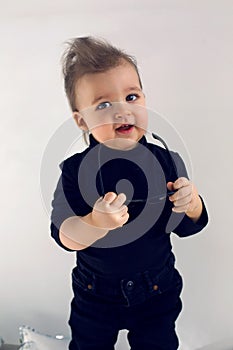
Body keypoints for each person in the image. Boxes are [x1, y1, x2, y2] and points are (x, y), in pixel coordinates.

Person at [50, 36, 208, 350]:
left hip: (157, 290)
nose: (122, 111)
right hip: (95, 294)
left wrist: (192, 204)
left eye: (131, 96)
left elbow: (191, 226)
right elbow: (64, 234)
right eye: (104, 104)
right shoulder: (74, 170)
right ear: (83, 120)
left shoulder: (167, 160)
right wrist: (94, 222)